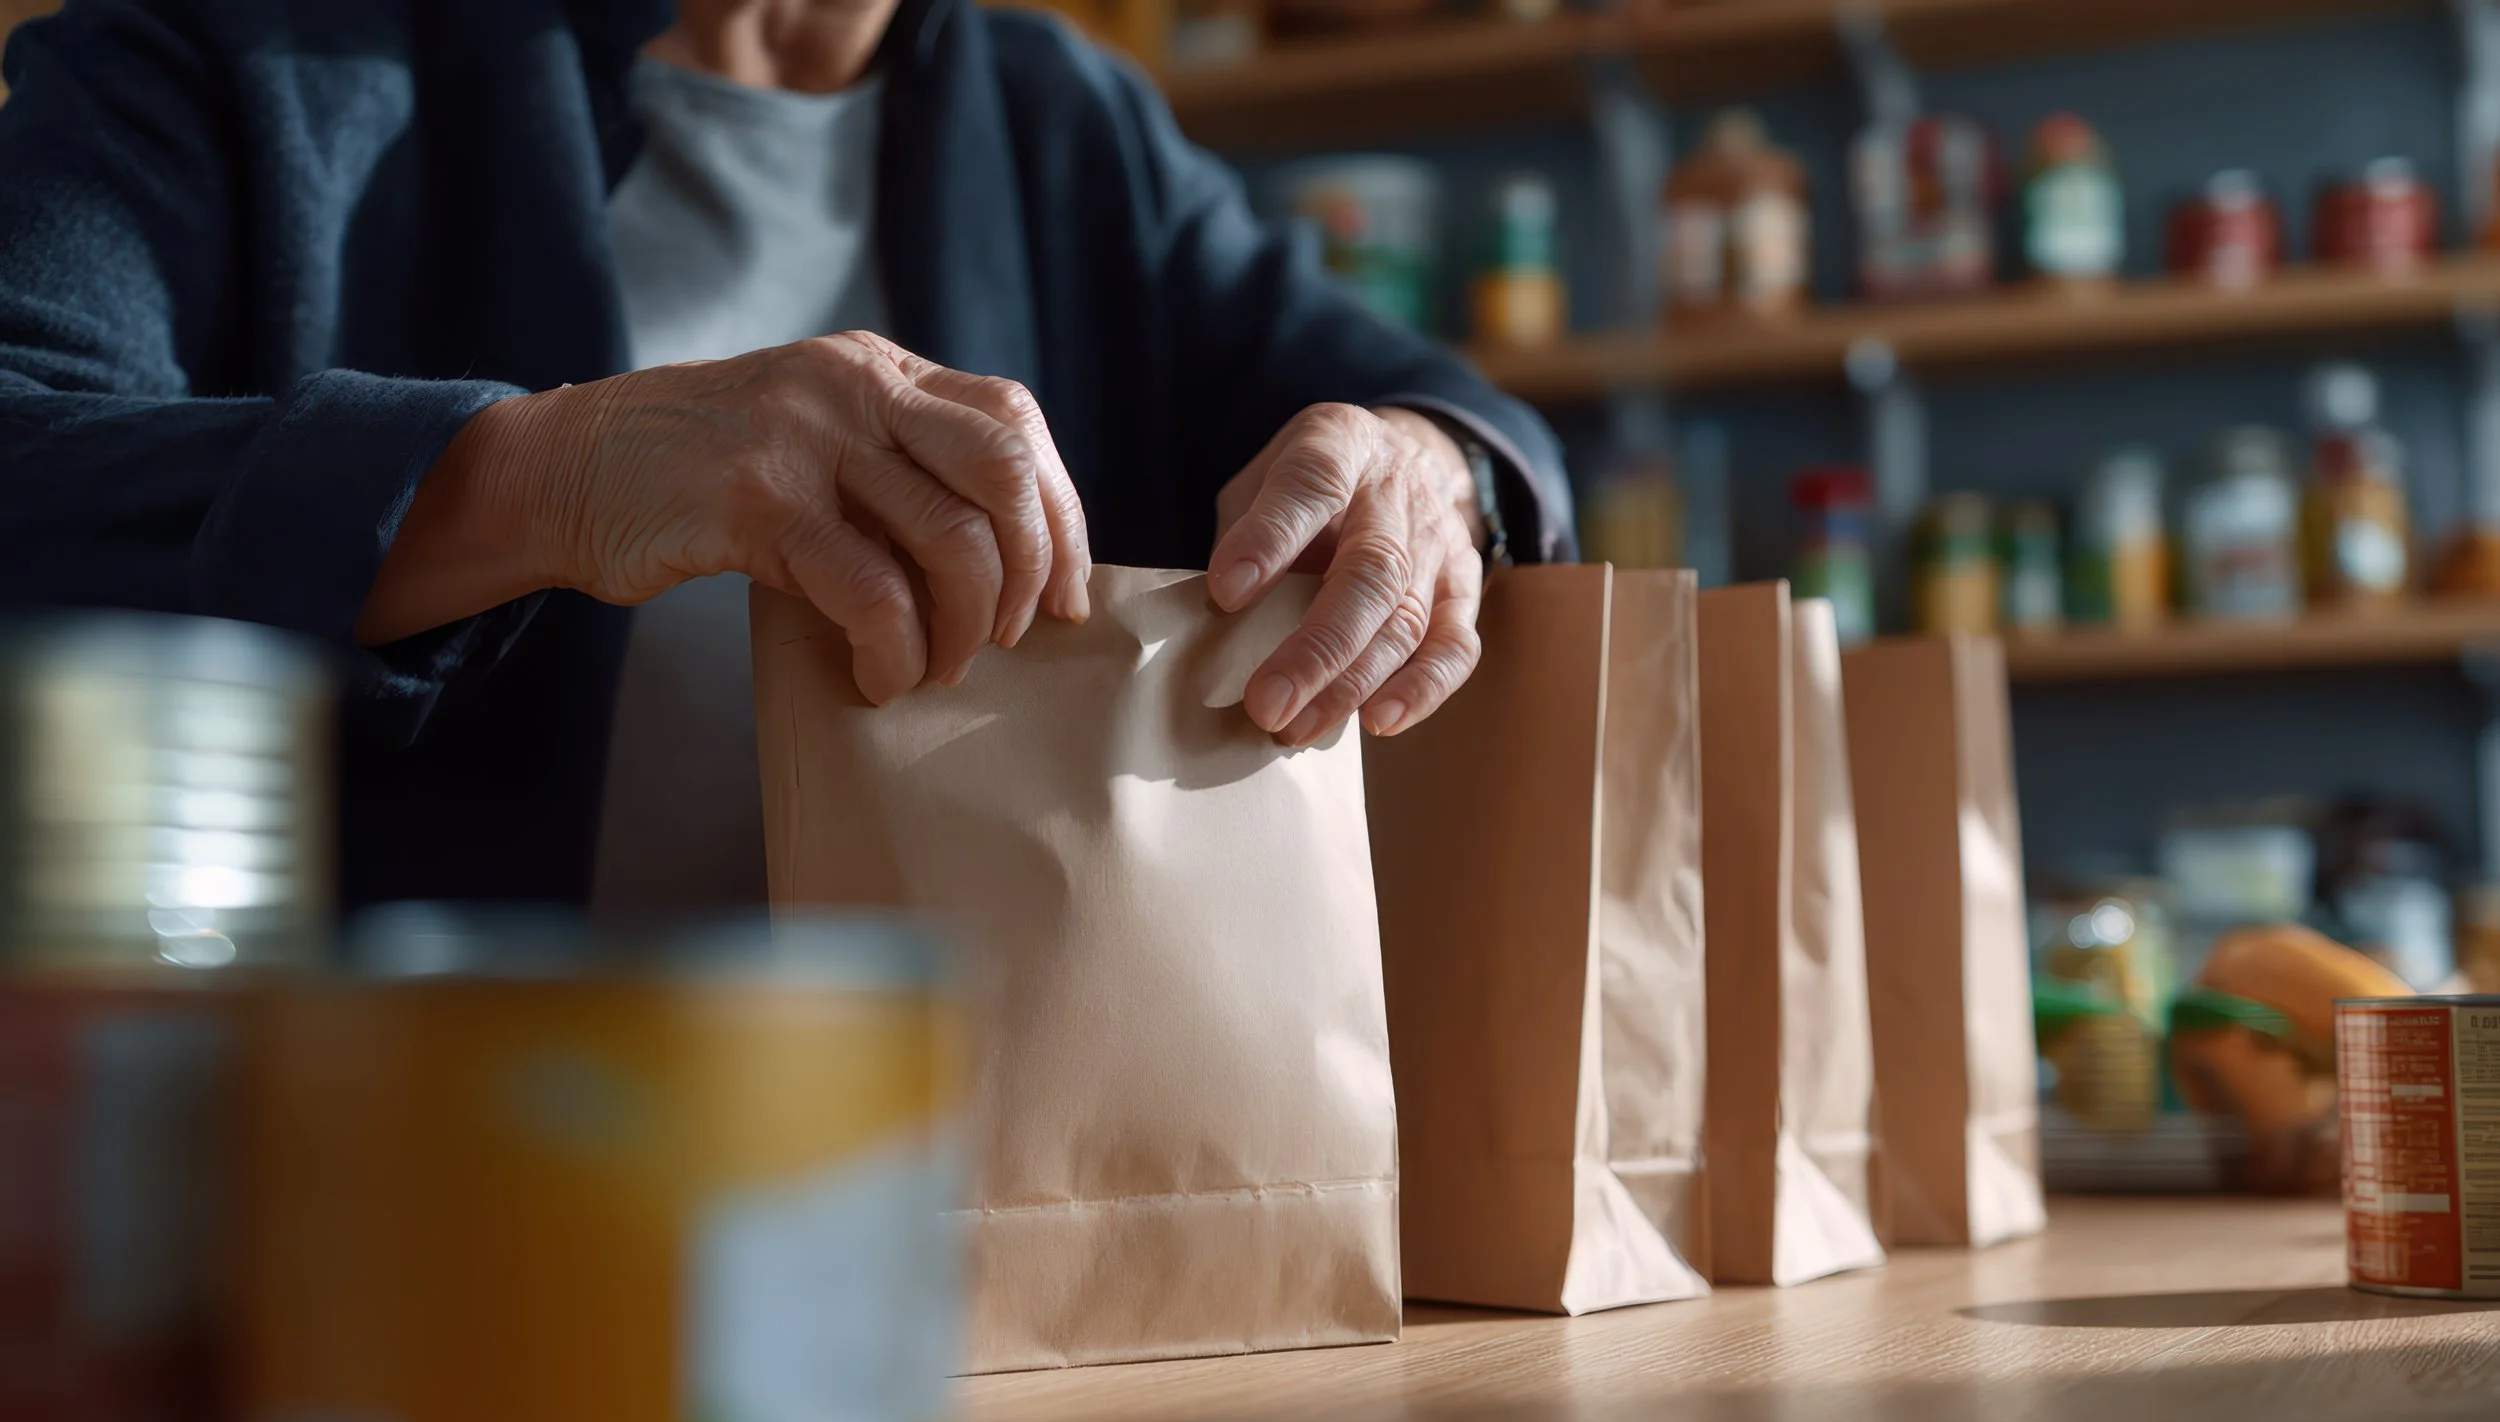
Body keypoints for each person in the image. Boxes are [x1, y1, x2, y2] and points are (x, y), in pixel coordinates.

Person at [0, 0, 1572, 914]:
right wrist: (546, 475)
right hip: (358, 1214)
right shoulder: (238, 48)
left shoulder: (1066, 121)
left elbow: (1436, 420)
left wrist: (1429, 468)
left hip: (992, 1224)